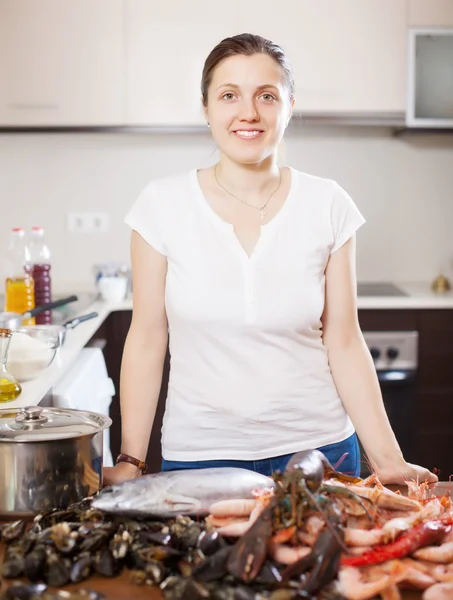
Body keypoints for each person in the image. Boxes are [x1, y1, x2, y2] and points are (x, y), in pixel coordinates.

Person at [103, 33, 437, 486]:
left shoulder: (328, 203)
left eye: (266, 96)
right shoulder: (160, 206)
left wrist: (388, 459)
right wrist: (131, 460)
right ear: (206, 108)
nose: (249, 113)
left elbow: (343, 339)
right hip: (201, 456)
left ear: (289, 107)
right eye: (229, 95)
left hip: (323, 454)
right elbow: (146, 338)